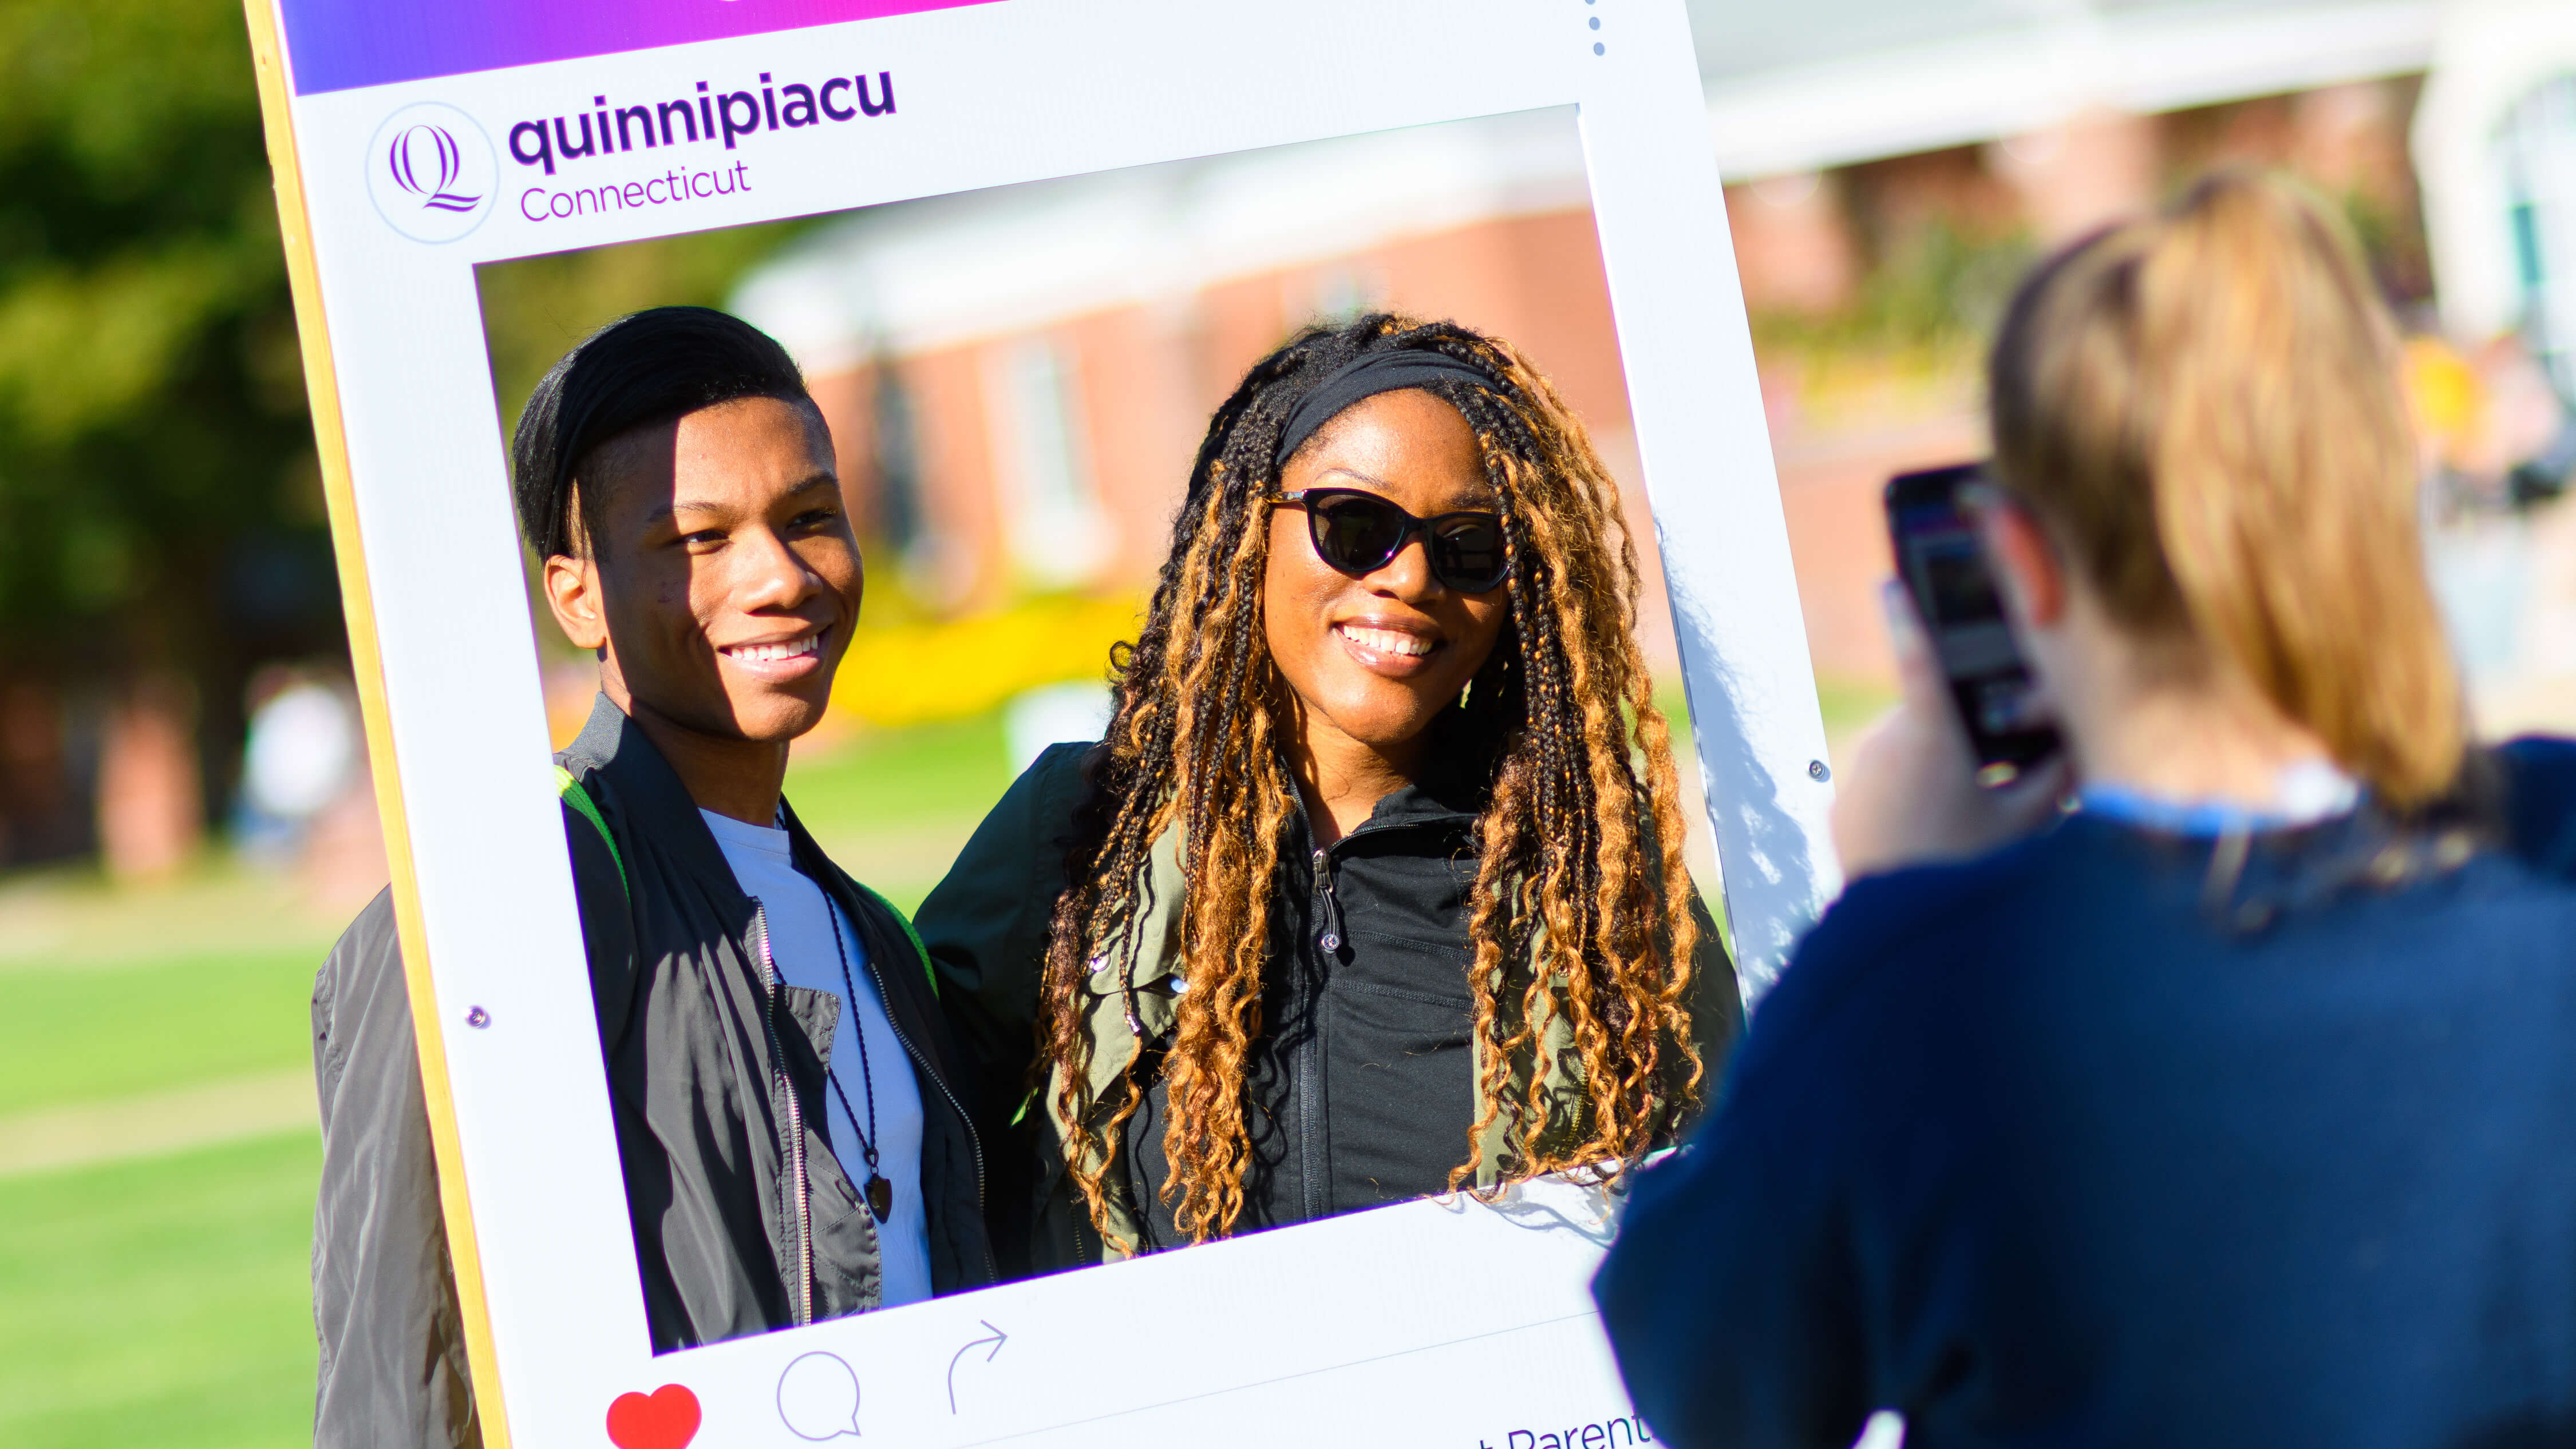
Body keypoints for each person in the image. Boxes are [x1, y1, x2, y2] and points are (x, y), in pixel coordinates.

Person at [1593, 172, 2576, 1447]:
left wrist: (1889, 908)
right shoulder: (2546, 845)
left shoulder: (1919, 1002)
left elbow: (1705, 1377)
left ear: (2018, 562)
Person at [918, 313, 1740, 1272]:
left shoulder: (1589, 877)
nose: (1411, 577)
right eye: (1356, 526)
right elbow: (903, 1155)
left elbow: (1731, 1214)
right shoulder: (1085, 830)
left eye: (1472, 545)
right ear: (1250, 531)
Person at [310, 307, 995, 1448]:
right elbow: (402, 1376)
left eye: (808, 518)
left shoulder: (876, 935)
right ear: (576, 596)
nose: (779, 577)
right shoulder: (512, 907)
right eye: (695, 540)